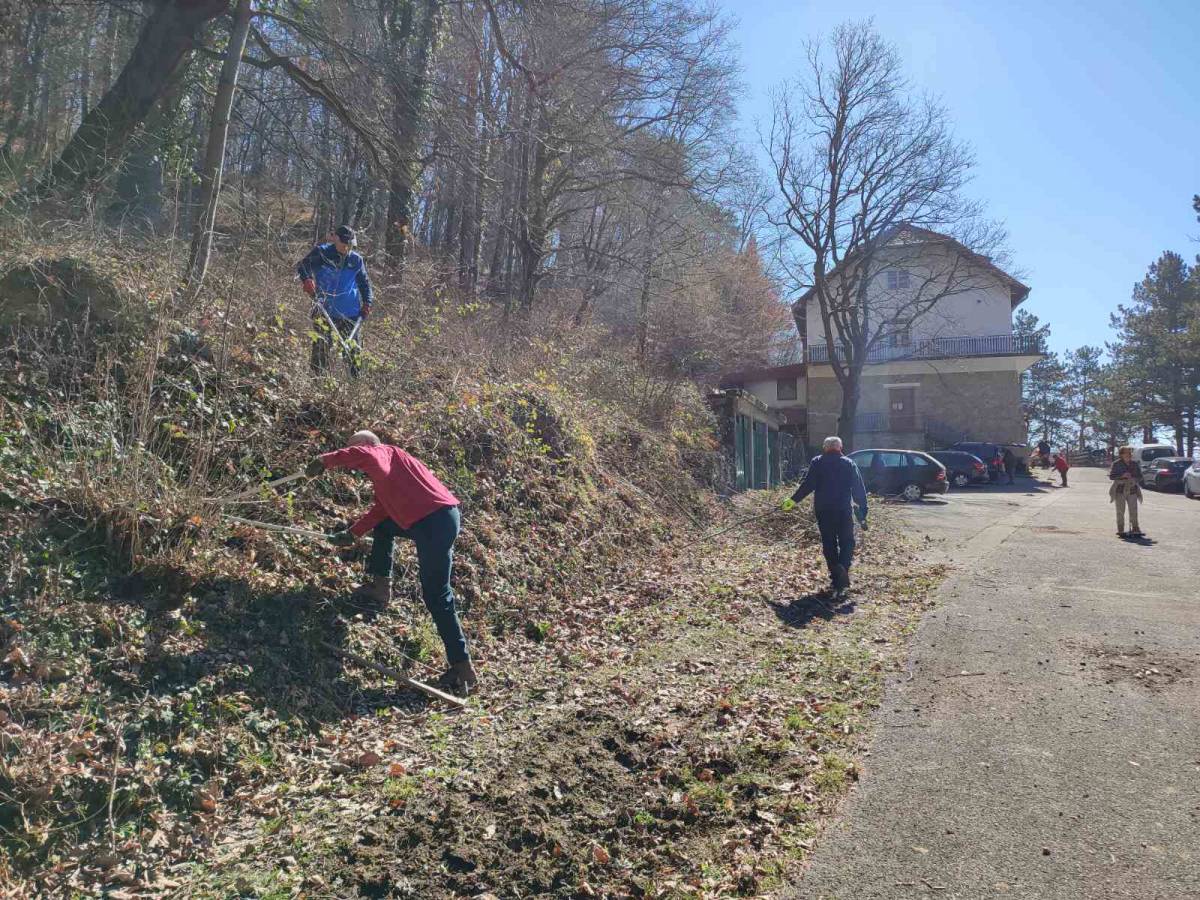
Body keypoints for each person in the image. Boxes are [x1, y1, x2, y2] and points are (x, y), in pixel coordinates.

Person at [305, 430, 477, 694]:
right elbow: (382, 512)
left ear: (365, 446)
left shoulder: (381, 452)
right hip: (439, 518)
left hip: (433, 522)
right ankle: (380, 586)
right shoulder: (392, 471)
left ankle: (462, 668)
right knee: (384, 528)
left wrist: (325, 461)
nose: (358, 468)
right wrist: (352, 533)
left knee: (437, 596)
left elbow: (366, 455)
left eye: (356, 451)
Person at [780, 436, 868, 599]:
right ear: (840, 448)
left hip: (823, 510)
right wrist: (863, 512)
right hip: (843, 510)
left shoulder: (817, 462)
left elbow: (808, 485)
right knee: (847, 541)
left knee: (829, 542)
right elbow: (858, 489)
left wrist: (793, 501)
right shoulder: (849, 464)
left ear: (825, 448)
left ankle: (835, 576)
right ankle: (843, 568)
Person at [298, 225, 373, 378]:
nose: (347, 247)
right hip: (323, 310)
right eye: (345, 243)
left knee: (354, 352)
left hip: (350, 314)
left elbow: (365, 284)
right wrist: (307, 280)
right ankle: (318, 383)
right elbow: (303, 266)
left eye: (350, 244)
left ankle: (355, 385)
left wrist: (367, 303)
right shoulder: (322, 253)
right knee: (321, 349)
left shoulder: (356, 260)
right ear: (335, 239)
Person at [1108, 446, 1144, 538]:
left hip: (1132, 490)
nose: (1129, 454)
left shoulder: (1135, 464)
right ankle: (1121, 529)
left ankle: (1135, 528)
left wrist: (1134, 479)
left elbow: (1140, 476)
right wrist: (1122, 475)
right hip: (1120, 490)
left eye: (1129, 452)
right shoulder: (1116, 464)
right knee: (1120, 510)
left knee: (1134, 510)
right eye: (1126, 453)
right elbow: (1111, 476)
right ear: (1121, 454)